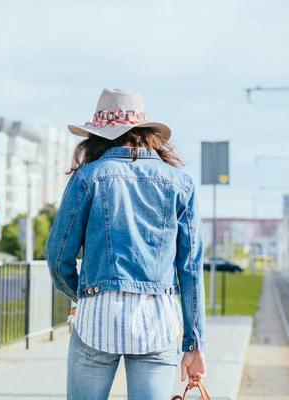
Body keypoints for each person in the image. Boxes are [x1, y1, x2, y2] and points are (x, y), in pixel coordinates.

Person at [46, 88, 207, 400]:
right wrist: (194, 343)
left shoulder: (88, 178)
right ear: (144, 132)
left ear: (98, 135)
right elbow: (190, 269)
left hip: (97, 317)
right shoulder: (180, 183)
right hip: (157, 321)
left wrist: (82, 293)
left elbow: (57, 257)